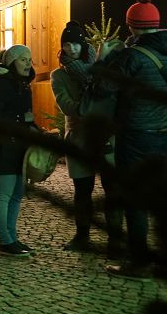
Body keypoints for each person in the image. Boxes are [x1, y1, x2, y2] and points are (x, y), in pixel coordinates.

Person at [97, 0, 167, 280]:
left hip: (136, 135)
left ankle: (139, 262)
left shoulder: (132, 56)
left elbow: (103, 88)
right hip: (166, 133)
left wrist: (104, 59)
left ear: (131, 27)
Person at [51, 21, 123, 254]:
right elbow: (69, 107)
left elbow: (114, 100)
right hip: (79, 138)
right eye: (66, 44)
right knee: (83, 190)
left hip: (106, 137)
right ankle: (82, 236)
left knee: (112, 189)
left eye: (74, 43)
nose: (70, 48)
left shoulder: (101, 70)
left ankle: (115, 239)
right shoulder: (59, 76)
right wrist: (92, 103)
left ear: (83, 45)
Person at [0, 45, 37, 257]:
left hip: (19, 147)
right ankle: (4, 241)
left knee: (16, 195)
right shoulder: (0, 85)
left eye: (29, 60)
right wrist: (21, 119)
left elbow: (26, 116)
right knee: (3, 195)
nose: (28, 64)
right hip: (2, 146)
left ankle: (12, 238)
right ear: (12, 61)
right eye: (23, 59)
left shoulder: (23, 85)